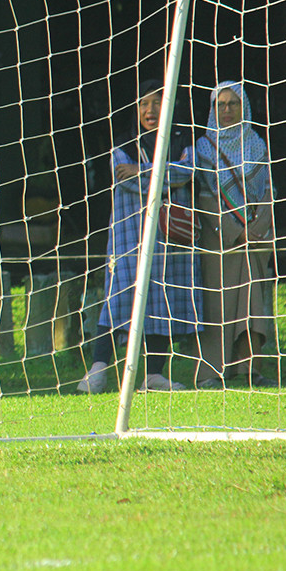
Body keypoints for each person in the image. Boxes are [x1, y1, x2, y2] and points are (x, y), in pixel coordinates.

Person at [78, 79, 202, 393]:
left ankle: (155, 374)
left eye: (157, 102)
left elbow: (187, 172)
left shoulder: (182, 140)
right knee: (118, 298)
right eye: (144, 104)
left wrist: (140, 171)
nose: (150, 110)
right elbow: (128, 181)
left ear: (169, 105)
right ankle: (98, 369)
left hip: (169, 238)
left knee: (163, 299)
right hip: (129, 238)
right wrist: (155, 175)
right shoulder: (123, 144)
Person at [191, 81, 275, 388]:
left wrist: (258, 228)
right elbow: (203, 195)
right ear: (212, 110)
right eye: (220, 104)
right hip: (220, 239)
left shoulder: (257, 144)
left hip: (256, 238)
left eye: (233, 104)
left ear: (245, 107)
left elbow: (268, 190)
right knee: (219, 306)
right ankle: (211, 373)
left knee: (252, 302)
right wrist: (234, 231)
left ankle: (251, 370)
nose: (227, 110)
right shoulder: (203, 147)